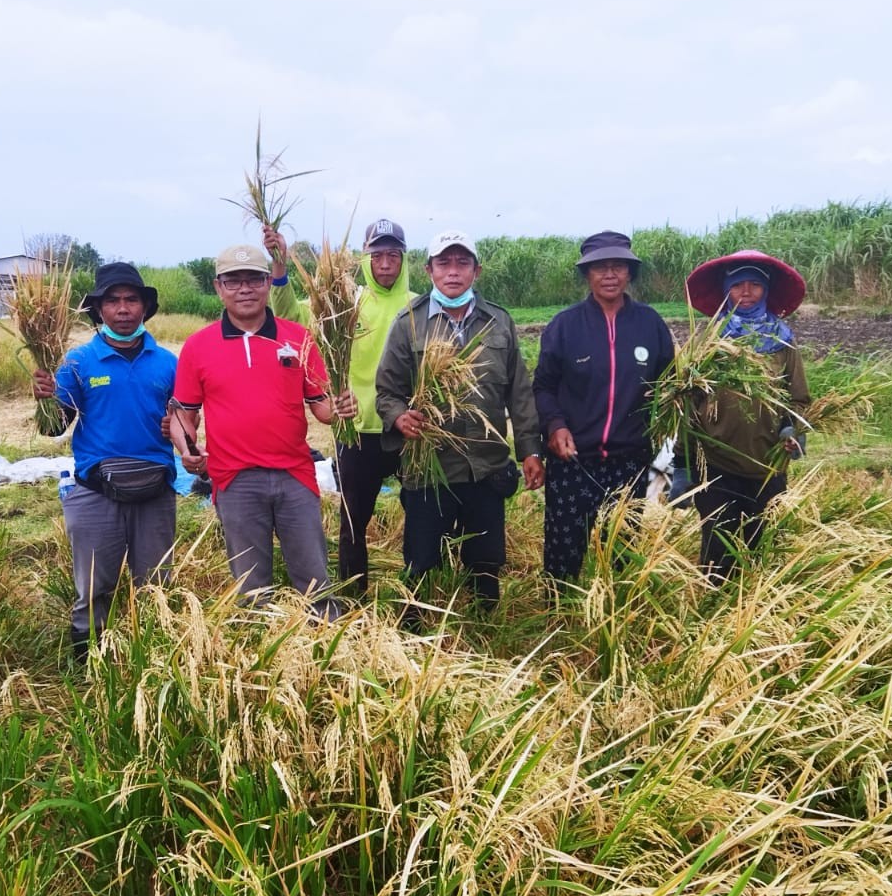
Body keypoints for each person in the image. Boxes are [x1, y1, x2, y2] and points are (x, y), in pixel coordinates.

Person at [170, 244, 357, 611]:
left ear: (267, 282)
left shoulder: (298, 338)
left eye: (253, 279)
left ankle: (325, 645)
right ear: (218, 287)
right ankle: (259, 652)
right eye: (233, 281)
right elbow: (183, 414)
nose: (244, 289)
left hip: (295, 475)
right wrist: (187, 449)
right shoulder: (198, 346)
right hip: (235, 479)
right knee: (250, 583)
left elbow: (322, 408)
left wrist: (342, 408)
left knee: (314, 575)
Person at [375, 230, 544, 617]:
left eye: (462, 263)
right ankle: (415, 629)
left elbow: (519, 392)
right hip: (428, 467)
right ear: (429, 270)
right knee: (421, 558)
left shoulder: (498, 323)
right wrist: (399, 416)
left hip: (485, 463)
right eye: (444, 263)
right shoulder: (409, 324)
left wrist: (530, 449)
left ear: (476, 270)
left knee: (485, 560)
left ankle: (485, 626)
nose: (453, 272)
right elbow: (386, 391)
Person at [263, 218, 416, 596]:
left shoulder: (418, 307)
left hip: (410, 431)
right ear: (365, 259)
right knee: (353, 522)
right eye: (377, 255)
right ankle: (354, 595)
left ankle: (416, 595)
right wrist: (280, 268)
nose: (384, 264)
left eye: (392, 255)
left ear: (404, 260)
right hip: (357, 429)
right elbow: (291, 319)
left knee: (422, 518)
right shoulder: (347, 302)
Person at [32, 262, 179, 655]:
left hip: (156, 490)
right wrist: (45, 400)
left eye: (132, 300)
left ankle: (154, 660)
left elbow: (185, 419)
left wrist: (177, 429)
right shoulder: (78, 363)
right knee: (95, 586)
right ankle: (89, 666)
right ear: (99, 310)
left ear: (145, 307)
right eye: (112, 301)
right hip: (95, 492)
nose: (123, 309)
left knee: (156, 585)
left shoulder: (168, 363)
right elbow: (53, 429)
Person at [533, 231, 674, 585]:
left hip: (629, 459)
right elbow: (544, 386)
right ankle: (559, 613)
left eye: (618, 267)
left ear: (630, 273)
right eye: (600, 268)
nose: (610, 275)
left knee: (623, 549)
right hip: (574, 460)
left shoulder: (650, 324)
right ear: (587, 274)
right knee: (564, 550)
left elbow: (669, 384)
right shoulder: (565, 326)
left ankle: (617, 614)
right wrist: (554, 426)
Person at [682, 250, 812, 582]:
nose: (746, 292)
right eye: (738, 285)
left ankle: (756, 611)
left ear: (765, 291)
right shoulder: (709, 339)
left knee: (760, 543)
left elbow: (798, 398)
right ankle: (713, 612)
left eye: (754, 285)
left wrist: (791, 430)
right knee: (718, 543)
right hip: (715, 460)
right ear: (727, 290)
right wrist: (685, 457)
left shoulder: (781, 340)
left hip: (767, 462)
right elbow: (686, 395)